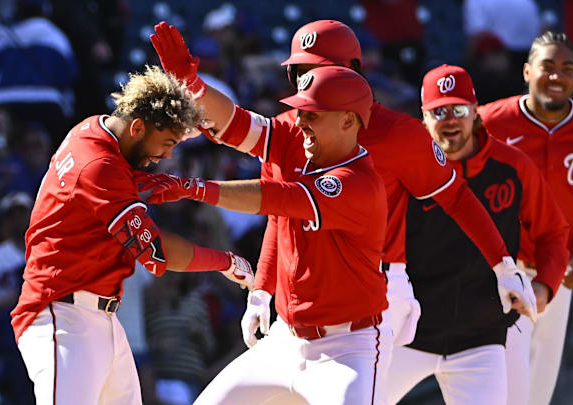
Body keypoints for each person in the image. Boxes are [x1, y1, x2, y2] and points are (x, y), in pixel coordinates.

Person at [250, 19, 537, 358]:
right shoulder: (286, 131)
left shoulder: (396, 133)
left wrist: (503, 266)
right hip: (301, 301)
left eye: (320, 70)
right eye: (301, 71)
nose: (309, 81)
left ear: (353, 72)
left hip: (378, 295)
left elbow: (457, 197)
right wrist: (261, 291)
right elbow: (277, 217)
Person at [140, 21, 391, 405]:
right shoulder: (298, 132)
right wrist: (192, 85)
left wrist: (191, 187)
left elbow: (277, 199)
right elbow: (235, 124)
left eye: (319, 77)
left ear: (348, 113)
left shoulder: (359, 175)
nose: (302, 114)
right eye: (300, 75)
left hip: (347, 346)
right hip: (286, 338)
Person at [10, 65, 254, 405]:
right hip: (61, 317)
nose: (168, 154)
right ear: (138, 127)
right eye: (167, 142)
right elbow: (157, 254)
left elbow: (119, 180)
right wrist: (225, 261)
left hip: (100, 318)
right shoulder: (99, 165)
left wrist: (179, 186)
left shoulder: (92, 128)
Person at [385, 64, 569, 405]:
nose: (450, 119)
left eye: (458, 109)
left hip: (482, 338)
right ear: (423, 117)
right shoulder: (401, 169)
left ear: (475, 111)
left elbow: (553, 232)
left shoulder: (512, 165)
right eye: (439, 111)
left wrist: (544, 286)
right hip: (409, 333)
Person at [478, 31, 573, 405]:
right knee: (504, 391)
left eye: (568, 68)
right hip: (502, 272)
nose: (557, 75)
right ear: (527, 71)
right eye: (547, 66)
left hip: (558, 274)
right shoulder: (489, 123)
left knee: (538, 393)